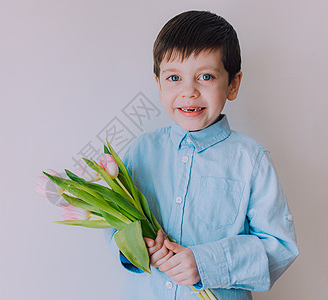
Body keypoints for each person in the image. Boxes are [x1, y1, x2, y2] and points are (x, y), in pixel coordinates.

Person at [105, 10, 298, 299]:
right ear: (158, 85)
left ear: (232, 84)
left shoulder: (251, 160)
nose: (189, 91)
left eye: (205, 76)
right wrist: (134, 247)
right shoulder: (140, 151)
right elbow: (115, 224)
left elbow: (279, 247)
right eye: (174, 78)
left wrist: (206, 264)